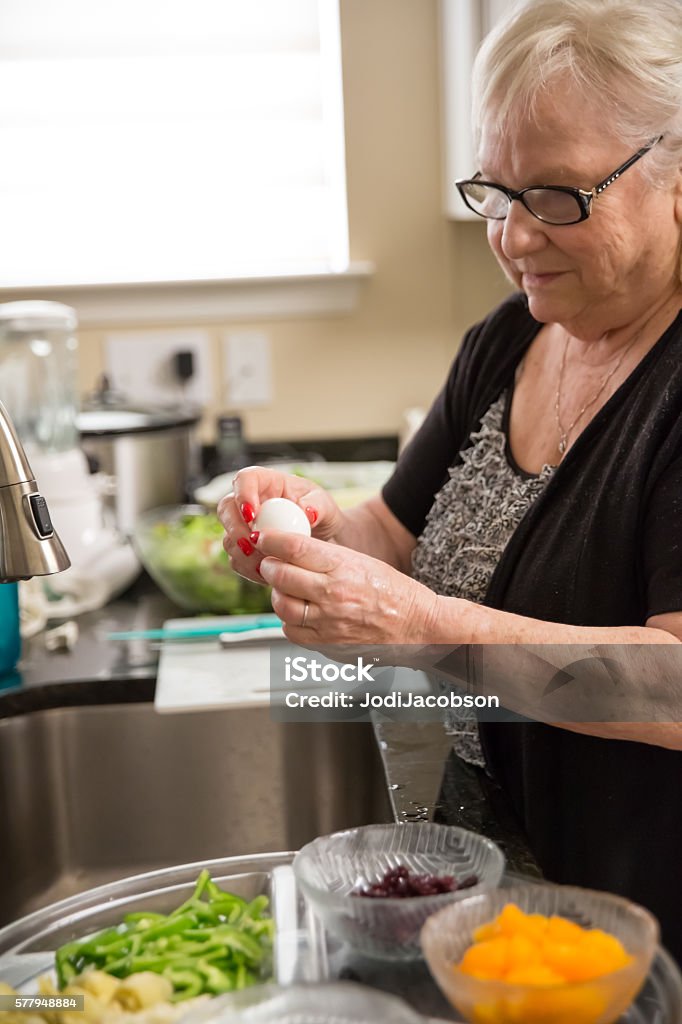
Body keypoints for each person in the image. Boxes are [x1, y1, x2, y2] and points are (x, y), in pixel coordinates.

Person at [219, 0, 682, 959]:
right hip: (515, 893)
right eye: (495, 192)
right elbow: (391, 537)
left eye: (557, 196)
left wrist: (427, 627)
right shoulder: (510, 340)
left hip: (646, 933)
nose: (513, 238)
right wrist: (305, 533)